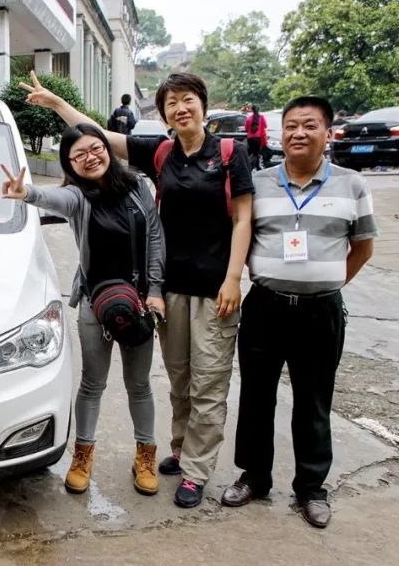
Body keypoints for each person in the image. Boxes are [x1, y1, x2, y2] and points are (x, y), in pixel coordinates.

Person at [20, 71, 254, 508]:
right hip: (119, 300)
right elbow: (84, 154)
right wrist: (28, 187)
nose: (180, 109)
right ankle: (104, 455)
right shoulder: (110, 182)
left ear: (202, 103)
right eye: (172, 103)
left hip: (170, 295)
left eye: (188, 100)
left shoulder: (158, 180)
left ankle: (168, 463)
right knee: (130, 383)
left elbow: (216, 225)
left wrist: (205, 281)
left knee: (169, 385)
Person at [221, 96, 376, 529]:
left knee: (313, 400)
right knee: (256, 396)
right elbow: (241, 233)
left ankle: (311, 488)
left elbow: (362, 248)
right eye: (290, 126)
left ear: (328, 133)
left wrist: (325, 283)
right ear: (280, 133)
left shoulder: (351, 185)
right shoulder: (259, 182)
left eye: (309, 125)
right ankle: (254, 476)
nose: (298, 133)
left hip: (320, 313)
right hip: (265, 307)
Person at [0, 124, 166, 496]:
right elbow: (52, 200)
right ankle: (82, 456)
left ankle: (146, 455)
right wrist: (25, 193)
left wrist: (155, 290)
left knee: (139, 385)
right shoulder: (78, 196)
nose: (90, 158)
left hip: (138, 304)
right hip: (95, 304)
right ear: (72, 165)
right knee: (92, 383)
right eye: (79, 156)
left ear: (106, 148)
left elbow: (155, 237)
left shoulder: (139, 187)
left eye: (95, 149)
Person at [244, 105, 267, 170]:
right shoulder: (261, 117)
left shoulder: (248, 118)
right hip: (258, 138)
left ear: (252, 110)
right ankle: (251, 167)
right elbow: (265, 126)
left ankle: (256, 166)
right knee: (256, 154)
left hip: (250, 138)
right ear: (258, 109)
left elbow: (246, 129)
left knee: (253, 153)